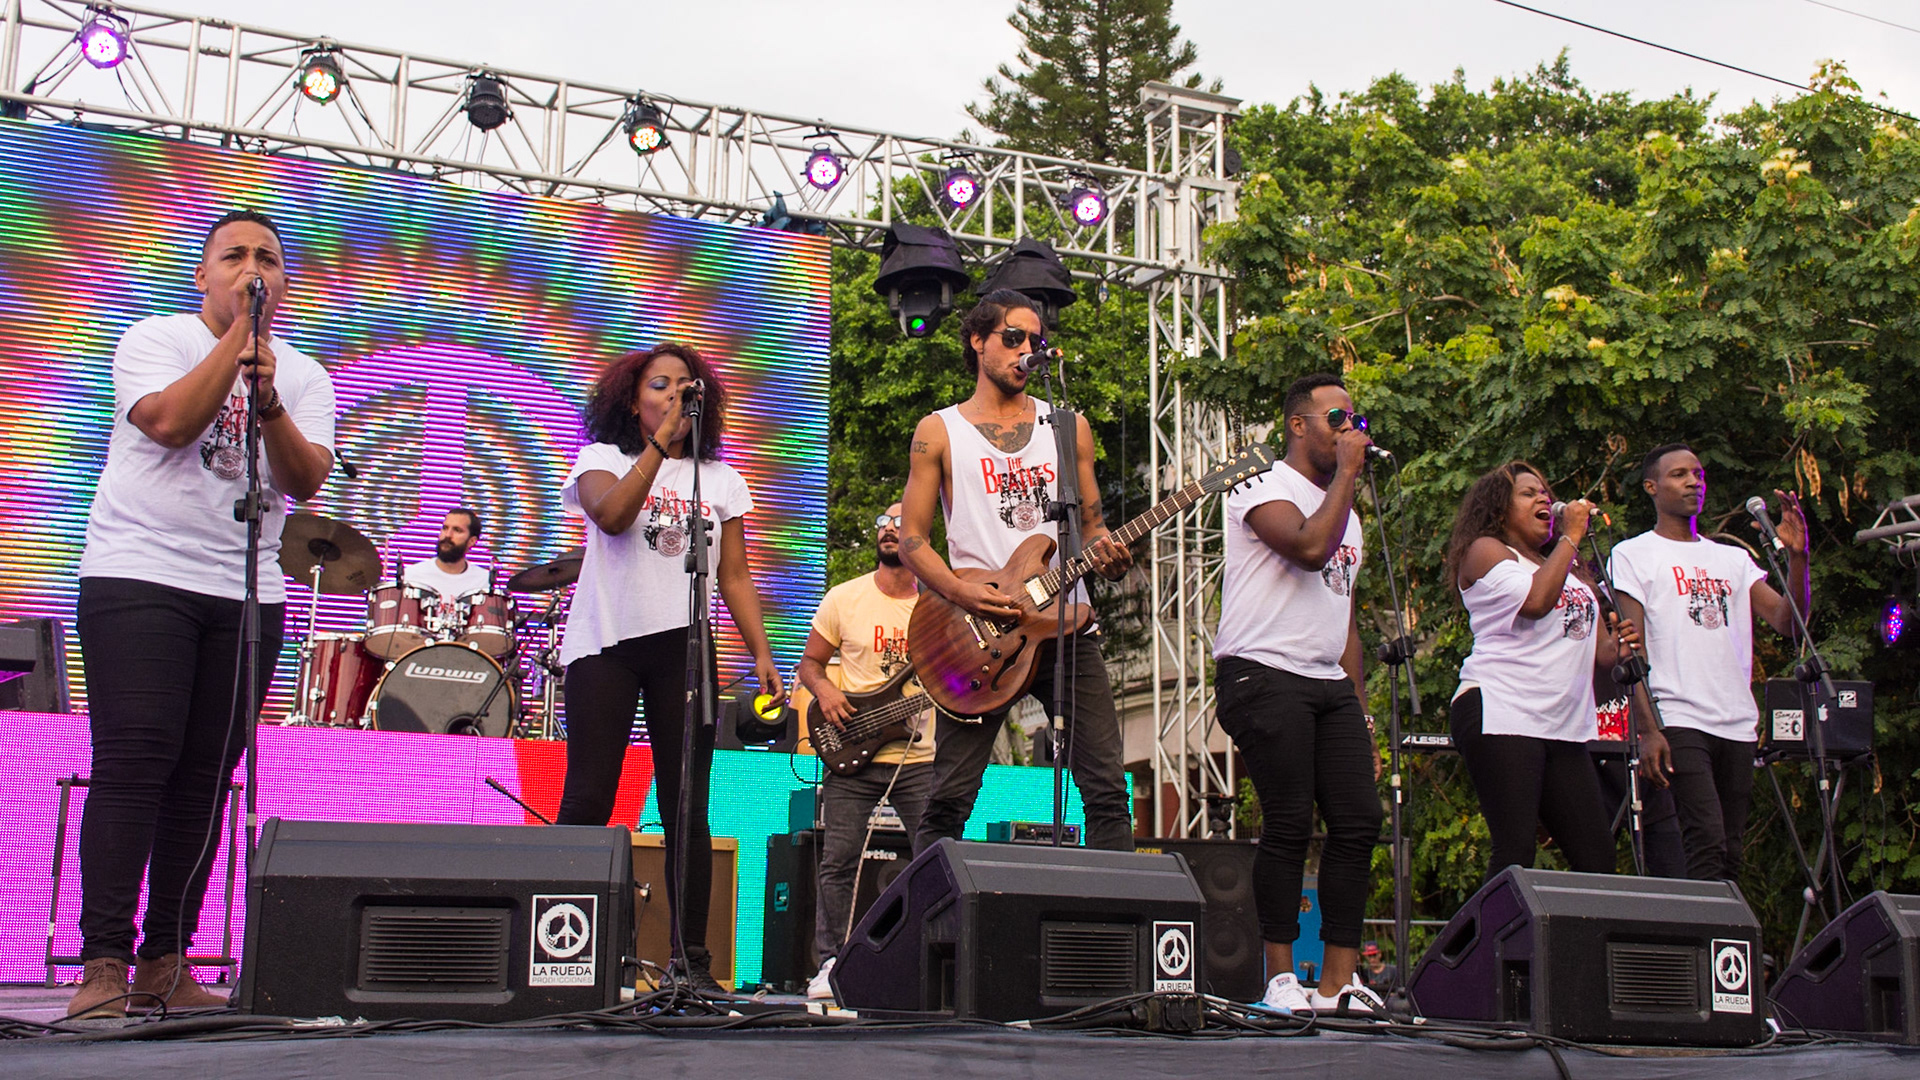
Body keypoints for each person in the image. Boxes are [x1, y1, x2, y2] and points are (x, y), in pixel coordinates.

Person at [71, 208, 336, 1018]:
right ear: (203, 276)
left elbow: (307, 481)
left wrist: (270, 399)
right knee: (136, 762)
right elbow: (170, 422)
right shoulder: (158, 339)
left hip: (247, 592)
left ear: (286, 278)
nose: (253, 267)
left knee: (202, 781)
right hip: (141, 576)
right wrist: (238, 343)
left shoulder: (304, 374)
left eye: (268, 257)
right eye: (234, 257)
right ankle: (103, 962)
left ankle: (165, 956)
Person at [554, 343, 784, 993]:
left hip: (685, 646)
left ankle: (694, 965)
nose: (678, 395)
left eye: (688, 386)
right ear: (634, 400)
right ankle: (565, 955)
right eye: (661, 385)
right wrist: (658, 446)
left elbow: (734, 573)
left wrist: (763, 652)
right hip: (606, 643)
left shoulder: (721, 479)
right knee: (590, 794)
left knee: (689, 804)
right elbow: (612, 515)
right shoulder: (604, 460)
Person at [899, 288, 1135, 854]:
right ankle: (933, 930)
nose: (1027, 349)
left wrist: (1108, 549)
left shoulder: (1068, 427)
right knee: (950, 797)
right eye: (1013, 338)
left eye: (1036, 340)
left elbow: (1094, 524)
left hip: (1065, 625)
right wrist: (965, 594)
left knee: (1106, 789)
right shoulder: (939, 430)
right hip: (976, 631)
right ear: (977, 341)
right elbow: (912, 540)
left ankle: (1115, 929)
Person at [1214, 372, 1385, 1016]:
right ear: (1298, 426)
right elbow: (1311, 549)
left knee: (1359, 820)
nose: (1352, 430)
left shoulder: (1353, 518)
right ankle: (1280, 980)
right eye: (1338, 420)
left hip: (1327, 681)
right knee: (1289, 819)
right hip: (1262, 672)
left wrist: (1362, 716)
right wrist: (1345, 474)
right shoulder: (1259, 484)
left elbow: (1344, 624)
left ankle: (1340, 983)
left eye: (1354, 420)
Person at [1609, 444, 1809, 881]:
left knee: (1731, 850)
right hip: (1678, 715)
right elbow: (1631, 649)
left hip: (1736, 721)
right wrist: (1647, 729)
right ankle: (1706, 945)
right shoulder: (1633, 555)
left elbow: (1786, 622)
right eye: (1679, 474)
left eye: (1698, 474)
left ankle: (1727, 946)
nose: (1693, 482)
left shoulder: (1732, 559)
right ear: (1651, 487)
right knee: (1707, 839)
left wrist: (1797, 558)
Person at [1443, 462, 1639, 883]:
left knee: (1597, 857)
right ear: (1499, 509)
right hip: (1500, 709)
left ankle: (1578, 951)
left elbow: (1599, 654)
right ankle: (1488, 949)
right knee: (1515, 850)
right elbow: (1534, 602)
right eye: (1529, 493)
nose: (1544, 499)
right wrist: (1571, 536)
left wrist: (1619, 649)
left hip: (1561, 726)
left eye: (1546, 492)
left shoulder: (1564, 569)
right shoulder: (1488, 551)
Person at [795, 500, 936, 1002]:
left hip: (917, 759)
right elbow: (810, 664)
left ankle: (923, 961)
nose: (889, 528)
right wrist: (826, 692)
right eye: (883, 521)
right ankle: (830, 963)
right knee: (838, 861)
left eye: (901, 521)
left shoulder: (936, 606)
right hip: (850, 754)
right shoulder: (844, 598)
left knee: (934, 860)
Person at [403, 507, 491, 598]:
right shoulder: (412, 576)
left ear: (472, 541)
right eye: (445, 528)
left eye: (457, 530)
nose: (448, 535)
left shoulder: (483, 582)